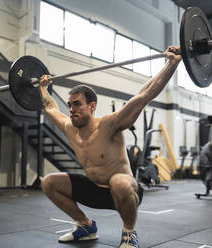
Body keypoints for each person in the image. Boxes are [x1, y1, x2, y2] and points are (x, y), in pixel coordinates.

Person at [39, 46, 181, 248]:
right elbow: (51, 107)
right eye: (70, 105)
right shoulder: (70, 128)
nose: (71, 109)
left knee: (119, 182)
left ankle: (129, 233)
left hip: (125, 191)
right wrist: (42, 88)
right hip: (95, 191)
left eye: (77, 104)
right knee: (48, 182)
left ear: (92, 106)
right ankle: (85, 225)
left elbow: (144, 95)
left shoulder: (110, 124)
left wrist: (172, 63)